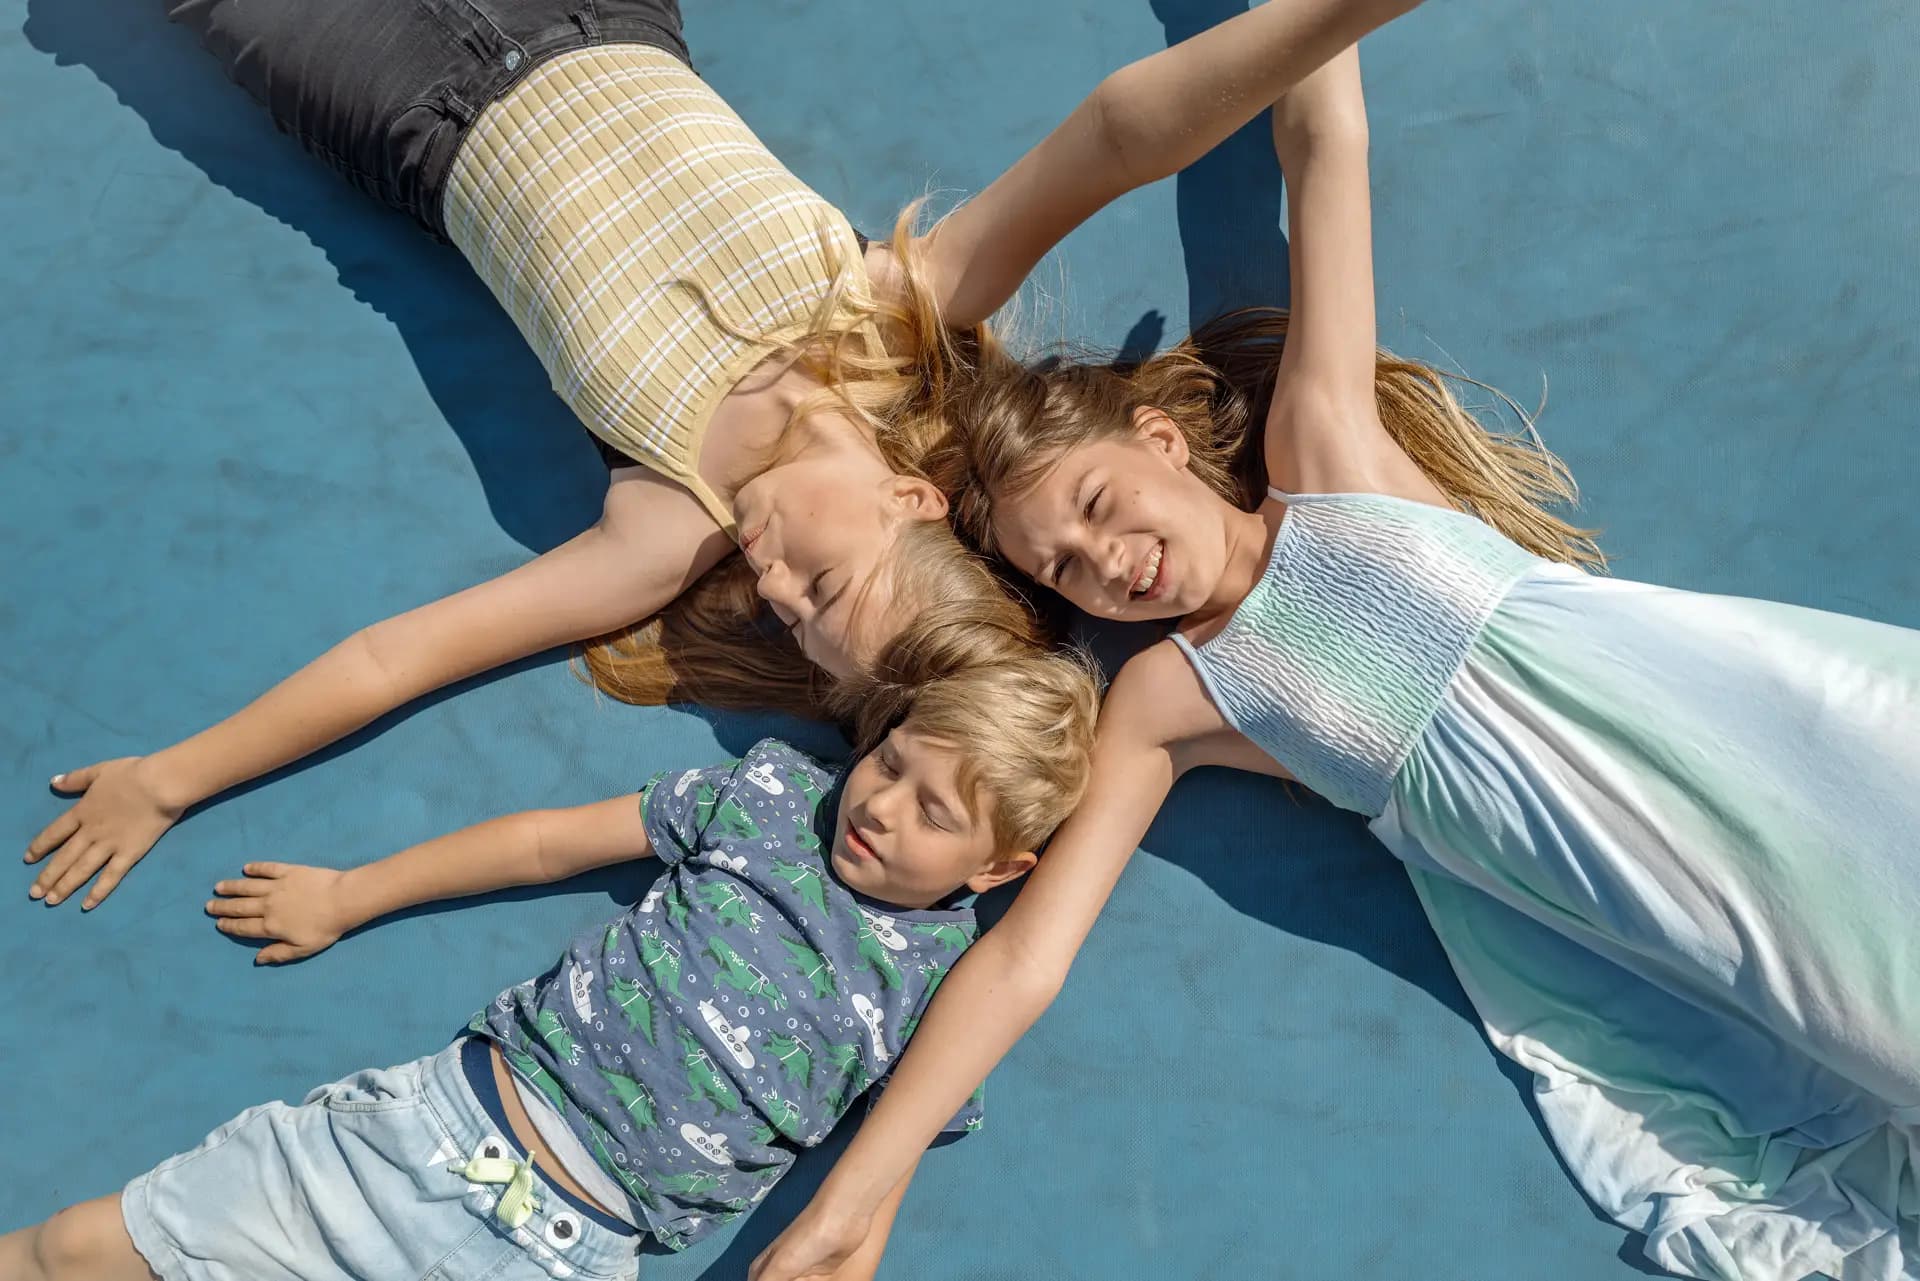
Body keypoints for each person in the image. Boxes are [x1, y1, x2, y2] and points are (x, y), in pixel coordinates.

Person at [752, 42, 1920, 1281]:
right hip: (1639, 883)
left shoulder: (1326, 454)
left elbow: (1324, 147)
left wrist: (1297, 24)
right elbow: (1025, 957)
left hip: (1724, 718)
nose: (1107, 563)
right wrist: (847, 1208)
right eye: (1065, 571)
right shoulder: (1167, 697)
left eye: (1096, 506)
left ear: (1161, 441)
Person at [24, 0, 1407, 912]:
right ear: (914, 496)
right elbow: (1117, 136)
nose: (774, 588)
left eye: (793, 622)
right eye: (826, 586)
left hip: (400, 105)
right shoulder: (893, 309)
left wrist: (173, 778)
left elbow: (399, 656)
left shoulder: (661, 523)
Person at [0, 646, 1101, 1281]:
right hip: (430, 1139)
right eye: (892, 761)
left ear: (999, 868)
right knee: (83, 1247)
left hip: (564, 1258)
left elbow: (882, 1170)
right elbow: (544, 843)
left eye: (934, 813)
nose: (884, 805)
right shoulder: (771, 799)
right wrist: (350, 892)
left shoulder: (949, 989)